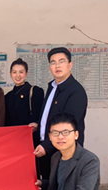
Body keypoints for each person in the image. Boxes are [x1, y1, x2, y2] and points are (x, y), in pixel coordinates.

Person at [34, 47, 87, 180]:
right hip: (47, 151)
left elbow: (67, 126)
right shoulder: (52, 87)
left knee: (64, 189)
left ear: (70, 65)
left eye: (61, 61)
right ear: (50, 67)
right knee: (48, 187)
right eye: (53, 62)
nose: (57, 66)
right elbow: (49, 116)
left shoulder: (76, 91)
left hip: (64, 153)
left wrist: (46, 146)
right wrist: (39, 125)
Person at [5, 58, 44, 149]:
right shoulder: (7, 96)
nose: (18, 75)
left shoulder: (36, 91)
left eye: (21, 72)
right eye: (14, 72)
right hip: (13, 139)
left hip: (31, 139)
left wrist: (36, 124)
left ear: (26, 73)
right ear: (10, 74)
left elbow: (41, 115)